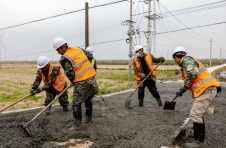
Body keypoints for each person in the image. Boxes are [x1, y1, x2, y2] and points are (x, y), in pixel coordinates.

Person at [172, 46, 220, 148]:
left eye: (174, 58)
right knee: (198, 113)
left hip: (206, 90)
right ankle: (197, 133)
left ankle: (199, 142)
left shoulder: (186, 61)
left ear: (176, 57)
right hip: (205, 90)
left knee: (195, 114)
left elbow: (192, 73)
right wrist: (183, 90)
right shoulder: (189, 61)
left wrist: (185, 86)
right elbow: (191, 79)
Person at [52, 37, 99, 130]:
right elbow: (90, 56)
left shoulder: (64, 58)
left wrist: (72, 81)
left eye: (58, 50)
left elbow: (70, 73)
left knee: (76, 102)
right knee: (88, 98)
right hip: (91, 78)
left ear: (63, 47)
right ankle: (88, 120)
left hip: (81, 81)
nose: (58, 52)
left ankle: (77, 125)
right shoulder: (78, 49)